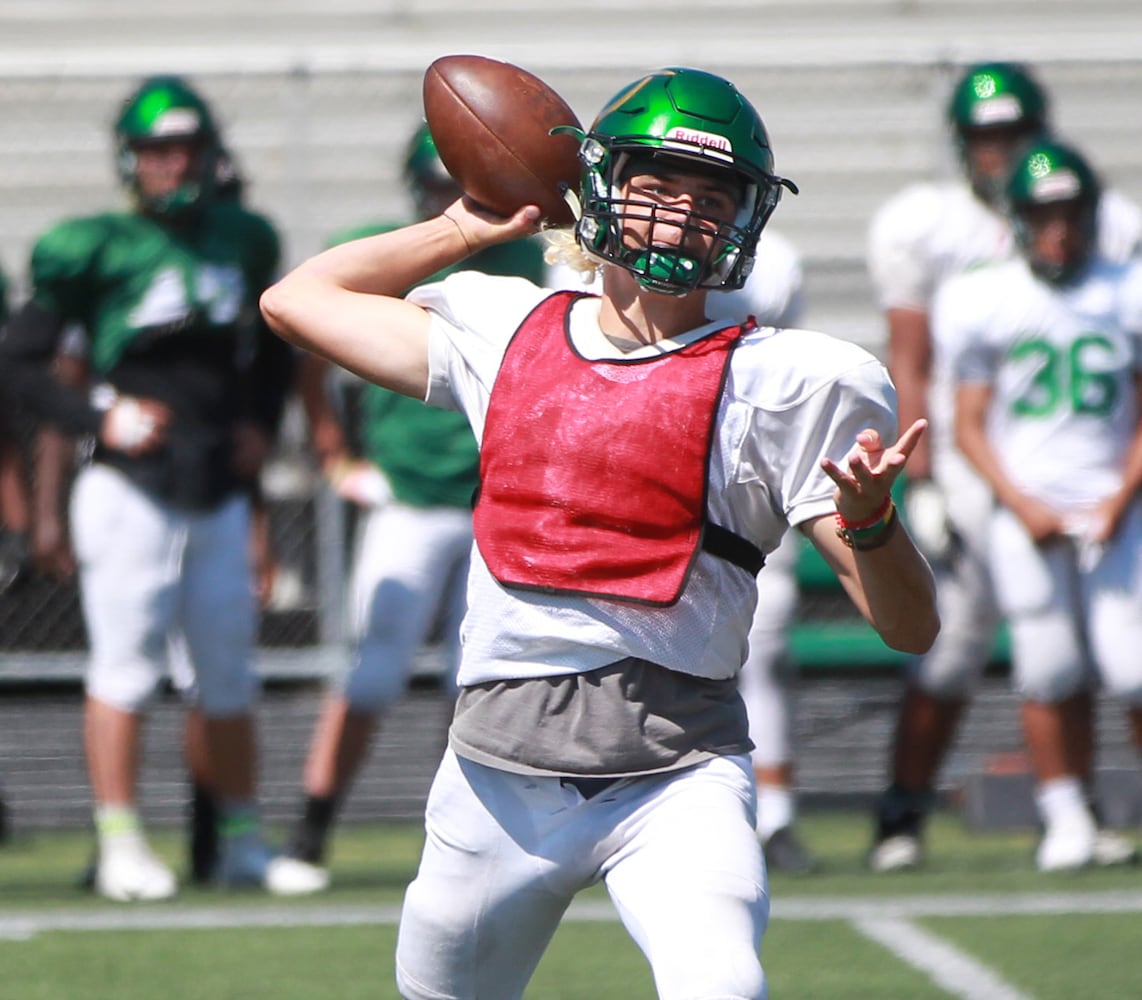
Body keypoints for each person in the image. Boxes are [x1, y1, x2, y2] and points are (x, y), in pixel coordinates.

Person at [263, 65, 937, 997]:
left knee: (722, 988)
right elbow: (294, 301)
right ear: (601, 186)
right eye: (658, 185)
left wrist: (872, 523)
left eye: (713, 197)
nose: (683, 215)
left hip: (677, 772)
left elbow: (911, 629)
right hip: (497, 776)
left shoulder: (791, 380)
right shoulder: (502, 324)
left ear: (746, 221)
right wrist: (467, 224)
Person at [0, 75, 298, 901]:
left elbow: (275, 351)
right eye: (158, 150)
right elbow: (19, 363)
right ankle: (121, 840)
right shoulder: (93, 247)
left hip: (216, 484)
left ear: (210, 153)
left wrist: (262, 427)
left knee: (229, 674)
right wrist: (101, 409)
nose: (174, 164)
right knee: (124, 669)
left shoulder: (244, 239)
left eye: (187, 147)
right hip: (128, 484)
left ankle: (241, 839)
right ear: (131, 160)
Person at [866, 61, 1142, 871]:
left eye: (1012, 135)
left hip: (1088, 461)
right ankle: (904, 812)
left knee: (1107, 653)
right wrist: (920, 476)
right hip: (976, 458)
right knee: (961, 646)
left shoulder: (1116, 241)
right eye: (985, 137)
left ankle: (1080, 809)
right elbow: (915, 361)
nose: (999, 151)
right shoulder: (933, 230)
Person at [276, 124, 547, 893]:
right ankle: (311, 831)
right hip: (409, 494)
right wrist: (332, 451)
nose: (447, 202)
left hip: (498, 501)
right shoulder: (384, 248)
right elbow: (303, 334)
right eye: (437, 189)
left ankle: (468, 844)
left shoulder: (530, 257)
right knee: (371, 676)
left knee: (482, 683)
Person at [948, 139, 1142, 869]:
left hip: (1113, 505)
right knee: (1050, 667)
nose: (1059, 230)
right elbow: (968, 423)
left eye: (1070, 213)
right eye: (1044, 215)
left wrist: (1122, 495)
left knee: (1133, 670)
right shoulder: (985, 295)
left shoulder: (1128, 288)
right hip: (1027, 508)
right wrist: (1021, 502)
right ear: (1020, 221)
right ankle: (1066, 814)